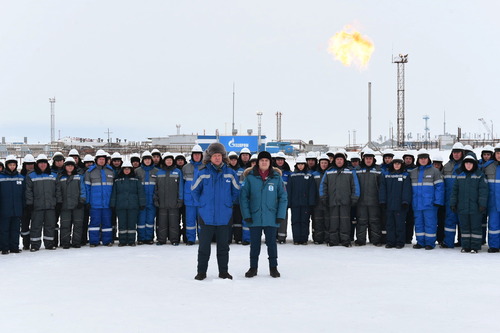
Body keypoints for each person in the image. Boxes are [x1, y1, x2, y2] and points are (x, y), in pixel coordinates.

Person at [191, 143, 240, 280]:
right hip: (206, 216)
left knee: (223, 247)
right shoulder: (202, 172)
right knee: (204, 247)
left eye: (219, 155)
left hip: (224, 216)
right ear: (210, 157)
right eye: (214, 156)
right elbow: (194, 191)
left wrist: (228, 204)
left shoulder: (231, 173)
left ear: (223, 157)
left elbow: (236, 192)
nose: (217, 158)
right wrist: (202, 204)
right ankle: (201, 272)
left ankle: (223, 272)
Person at [240, 151, 288, 278]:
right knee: (254, 244)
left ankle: (273, 267)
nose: (264, 162)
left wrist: (280, 215)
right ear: (258, 162)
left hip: (271, 217)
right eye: (262, 160)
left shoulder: (276, 178)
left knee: (271, 243)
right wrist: (247, 215)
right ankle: (253, 268)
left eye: (266, 160)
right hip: (254, 216)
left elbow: (283, 197)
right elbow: (243, 198)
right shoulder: (250, 177)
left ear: (270, 162)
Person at [319, 151, 359, 247]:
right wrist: (323, 197)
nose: (339, 161)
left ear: (344, 160)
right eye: (337, 159)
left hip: (346, 201)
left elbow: (355, 185)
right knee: (333, 221)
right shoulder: (329, 172)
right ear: (334, 161)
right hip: (333, 201)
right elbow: (323, 185)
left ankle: (345, 240)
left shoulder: (350, 171)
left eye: (341, 159)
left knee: (345, 222)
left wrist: (354, 197)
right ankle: (333, 240)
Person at [450, 155, 488, 253]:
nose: (468, 165)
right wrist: (453, 203)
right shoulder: (460, 175)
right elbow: (454, 191)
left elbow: (483, 190)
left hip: (476, 207)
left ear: (474, 164)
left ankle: (475, 246)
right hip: (462, 207)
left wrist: (482, 204)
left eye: (470, 163)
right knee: (465, 227)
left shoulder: (479, 175)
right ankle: (466, 246)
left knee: (475, 227)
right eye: (466, 163)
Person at [410, 149, 445, 250]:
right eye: (421, 159)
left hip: (430, 204)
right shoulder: (413, 172)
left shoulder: (435, 171)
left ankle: (430, 243)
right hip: (417, 203)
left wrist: (438, 201)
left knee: (430, 223)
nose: (423, 160)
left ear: (428, 159)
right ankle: (420, 242)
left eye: (425, 158)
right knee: (418, 224)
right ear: (418, 160)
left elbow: (440, 188)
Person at [25, 154, 58, 251]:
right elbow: (28, 191)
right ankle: (35, 245)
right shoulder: (31, 175)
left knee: (50, 225)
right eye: (41, 163)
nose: (43, 165)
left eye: (44, 163)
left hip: (50, 206)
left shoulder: (53, 175)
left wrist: (57, 202)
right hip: (37, 206)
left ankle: (49, 244)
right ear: (37, 164)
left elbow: (58, 190)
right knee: (36, 226)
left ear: (47, 164)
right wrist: (30, 203)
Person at [379, 154, 412, 249]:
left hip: (400, 206)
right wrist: (382, 201)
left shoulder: (405, 175)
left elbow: (407, 190)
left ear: (401, 165)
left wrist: (405, 201)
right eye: (395, 164)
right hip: (389, 205)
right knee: (389, 224)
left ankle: (400, 242)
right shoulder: (386, 174)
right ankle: (390, 242)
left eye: (399, 164)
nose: (397, 165)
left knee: (400, 224)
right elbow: (382, 189)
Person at [110, 160, 146, 246]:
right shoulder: (117, 180)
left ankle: (131, 240)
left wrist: (142, 203)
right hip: (120, 205)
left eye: (128, 169)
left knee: (132, 224)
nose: (126, 171)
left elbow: (140, 192)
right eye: (125, 169)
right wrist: (113, 204)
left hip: (133, 205)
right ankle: (122, 241)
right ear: (122, 170)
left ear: (131, 170)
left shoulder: (136, 180)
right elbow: (114, 193)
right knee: (122, 224)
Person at [85, 149, 115, 247]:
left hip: (107, 203)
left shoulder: (111, 171)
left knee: (107, 223)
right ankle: (94, 241)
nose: (101, 161)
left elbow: (114, 188)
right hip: (95, 204)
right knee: (94, 223)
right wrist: (88, 201)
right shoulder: (90, 172)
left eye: (103, 159)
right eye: (100, 159)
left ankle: (107, 241)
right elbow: (87, 188)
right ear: (96, 160)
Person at [56, 157, 86, 249]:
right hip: (65, 205)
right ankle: (65, 242)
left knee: (78, 224)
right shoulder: (61, 177)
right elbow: (58, 191)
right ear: (65, 167)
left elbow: (83, 190)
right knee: (65, 224)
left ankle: (76, 242)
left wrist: (82, 200)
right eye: (68, 165)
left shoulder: (79, 177)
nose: (70, 167)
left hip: (78, 205)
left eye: (71, 166)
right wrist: (59, 201)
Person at [154, 153, 184, 245]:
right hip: (162, 203)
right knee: (162, 223)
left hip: (174, 203)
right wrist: (156, 199)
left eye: (170, 160)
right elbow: (156, 187)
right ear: (164, 161)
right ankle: (161, 240)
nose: (169, 161)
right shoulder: (159, 172)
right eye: (167, 160)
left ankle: (174, 239)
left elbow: (181, 187)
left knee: (174, 223)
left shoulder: (178, 172)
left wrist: (180, 200)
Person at [355, 148, 382, 246]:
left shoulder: (378, 170)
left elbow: (381, 186)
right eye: (366, 158)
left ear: (373, 159)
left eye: (370, 158)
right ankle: (360, 240)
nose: (368, 160)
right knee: (361, 221)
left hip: (374, 201)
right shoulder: (357, 170)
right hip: (361, 202)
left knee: (374, 221)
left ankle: (376, 240)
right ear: (363, 159)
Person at [287, 156, 316, 245]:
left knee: (305, 221)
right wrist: (289, 202)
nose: (300, 166)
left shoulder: (309, 176)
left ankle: (304, 239)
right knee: (295, 221)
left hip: (305, 204)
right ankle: (296, 238)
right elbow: (289, 190)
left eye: (302, 164)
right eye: (299, 164)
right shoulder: (292, 176)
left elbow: (312, 190)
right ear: (296, 165)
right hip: (295, 203)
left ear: (305, 165)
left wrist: (311, 202)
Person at [441, 142, 465, 248]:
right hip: (449, 199)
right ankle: (448, 242)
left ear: (462, 153)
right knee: (449, 221)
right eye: (454, 152)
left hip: (462, 199)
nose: (456, 154)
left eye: (458, 152)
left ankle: (463, 242)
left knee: (463, 221)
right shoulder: (446, 166)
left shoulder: (467, 165)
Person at [0, 155, 24, 254]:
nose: (12, 167)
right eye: (10, 165)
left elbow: (24, 194)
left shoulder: (21, 178)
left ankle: (14, 247)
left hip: (17, 209)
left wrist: (24, 206)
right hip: (4, 209)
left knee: (15, 230)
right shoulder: (1, 177)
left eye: (14, 165)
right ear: (7, 165)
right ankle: (4, 248)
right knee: (4, 229)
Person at [134, 151, 158, 245]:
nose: (147, 161)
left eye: (149, 159)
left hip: (152, 200)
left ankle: (149, 238)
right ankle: (141, 238)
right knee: (141, 221)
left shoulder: (156, 171)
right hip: (141, 200)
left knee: (150, 220)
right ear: (142, 160)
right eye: (145, 159)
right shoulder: (137, 171)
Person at [182, 145, 204, 245]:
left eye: (198, 154)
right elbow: (181, 184)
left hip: (201, 200)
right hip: (189, 199)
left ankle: (202, 238)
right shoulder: (185, 168)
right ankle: (190, 239)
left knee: (201, 222)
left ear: (201, 155)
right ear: (192, 155)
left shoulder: (205, 167)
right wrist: (181, 197)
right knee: (190, 221)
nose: (197, 156)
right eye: (195, 154)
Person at [227, 151, 248, 244]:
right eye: (231, 159)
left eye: (235, 159)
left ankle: (238, 237)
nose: (233, 161)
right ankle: (228, 238)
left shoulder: (241, 171)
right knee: (228, 220)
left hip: (238, 199)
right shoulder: (226, 170)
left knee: (238, 220)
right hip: (228, 200)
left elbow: (243, 184)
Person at [311, 154, 330, 244]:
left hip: (327, 201)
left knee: (327, 220)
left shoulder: (330, 173)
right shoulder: (314, 174)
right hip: (317, 201)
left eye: (325, 163)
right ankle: (318, 238)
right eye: (322, 163)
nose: (324, 165)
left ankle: (327, 238)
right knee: (317, 221)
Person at [274, 152, 292, 243]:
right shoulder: (271, 172)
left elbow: (291, 187)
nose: (280, 162)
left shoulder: (288, 173)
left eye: (281, 160)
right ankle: (273, 236)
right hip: (272, 200)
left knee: (283, 218)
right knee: (272, 218)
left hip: (283, 200)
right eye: (278, 160)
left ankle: (281, 237)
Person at [485, 143, 500, 253]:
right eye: (498, 153)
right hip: (492, 202)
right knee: (493, 225)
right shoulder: (488, 166)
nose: (499, 155)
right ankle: (494, 246)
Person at [20, 154, 36, 250]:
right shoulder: (20, 176)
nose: (30, 166)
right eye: (28, 164)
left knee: (34, 225)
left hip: (34, 205)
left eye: (32, 164)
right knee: (25, 226)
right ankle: (26, 243)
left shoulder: (36, 175)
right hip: (23, 205)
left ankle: (33, 242)